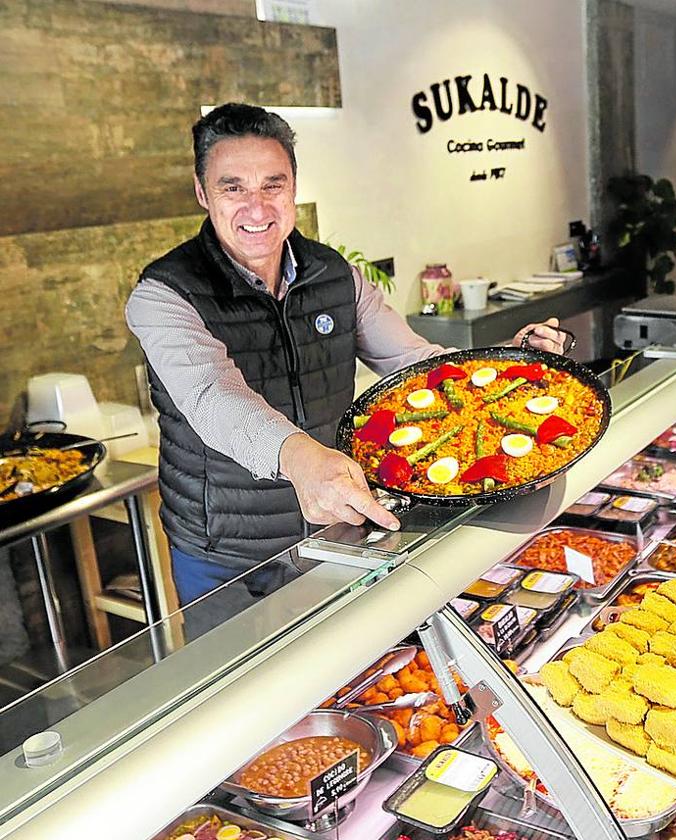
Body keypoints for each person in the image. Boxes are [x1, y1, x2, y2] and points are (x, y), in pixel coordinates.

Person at [126, 103, 570, 607]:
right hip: (227, 552)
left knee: (347, 681)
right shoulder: (164, 293)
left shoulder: (332, 273)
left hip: (337, 530)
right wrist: (300, 459)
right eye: (233, 187)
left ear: (293, 186)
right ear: (202, 192)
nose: (257, 207)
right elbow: (212, 396)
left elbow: (412, 362)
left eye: (273, 184)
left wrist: (501, 366)